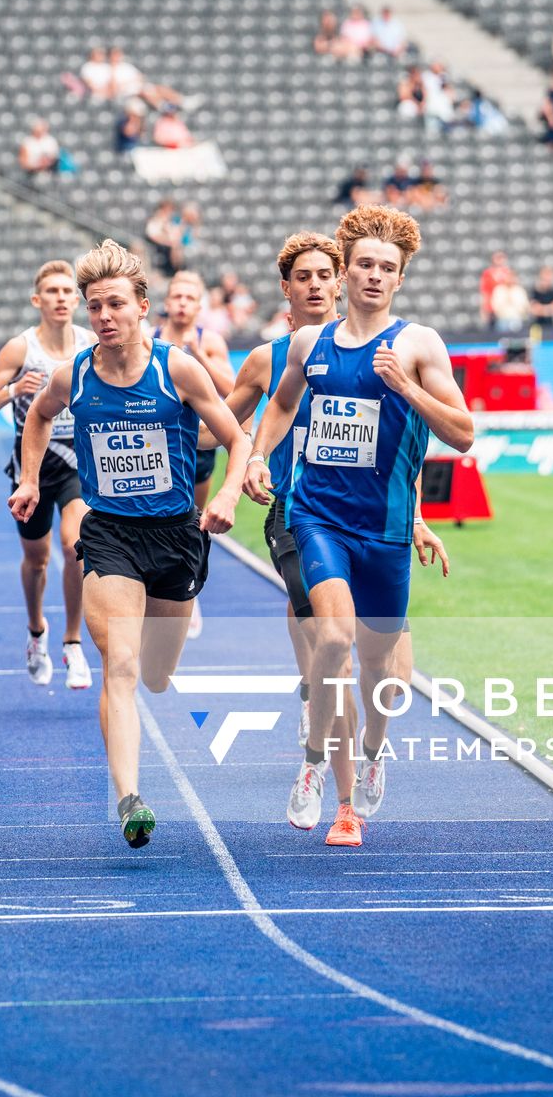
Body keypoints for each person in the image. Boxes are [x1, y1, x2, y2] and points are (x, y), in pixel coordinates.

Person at [10, 241, 250, 849]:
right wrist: (32, 478)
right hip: (110, 534)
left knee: (156, 675)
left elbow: (237, 437)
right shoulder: (76, 375)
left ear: (143, 307)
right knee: (118, 662)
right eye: (95, 307)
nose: (104, 316)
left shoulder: (179, 370)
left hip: (175, 535)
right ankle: (129, 799)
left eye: (115, 304)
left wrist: (224, 497)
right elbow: (38, 418)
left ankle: (159, 659)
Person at [245, 206, 471, 847]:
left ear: (400, 279)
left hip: (386, 535)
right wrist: (260, 454)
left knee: (380, 676)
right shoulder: (309, 345)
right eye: (365, 264)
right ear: (346, 273)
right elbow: (283, 403)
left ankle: (372, 752)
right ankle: (322, 773)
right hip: (319, 520)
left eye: (387, 268)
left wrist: (407, 389)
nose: (374, 276)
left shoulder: (418, 344)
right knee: (335, 640)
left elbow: (462, 434)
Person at [218, 232, 345, 751]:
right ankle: (323, 717)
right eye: (302, 277)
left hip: (362, 512)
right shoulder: (265, 360)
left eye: (322, 275)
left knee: (364, 639)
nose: (314, 285)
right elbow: (218, 426)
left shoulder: (380, 350)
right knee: (320, 620)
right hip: (293, 509)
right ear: (285, 290)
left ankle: (317, 692)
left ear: (340, 283)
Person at [0, 261, 99, 690]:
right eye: (53, 291)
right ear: (37, 299)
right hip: (32, 465)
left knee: (76, 544)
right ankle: (36, 631)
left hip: (78, 463)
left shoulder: (91, 343)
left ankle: (73, 643)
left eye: (68, 291)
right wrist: (13, 390)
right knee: (37, 560)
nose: (62, 298)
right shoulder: (19, 349)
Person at [154, 271, 234, 640]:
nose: (183, 304)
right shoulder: (147, 339)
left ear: (199, 306)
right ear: (167, 302)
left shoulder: (209, 340)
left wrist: (200, 356)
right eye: (178, 297)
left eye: (190, 298)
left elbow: (233, 389)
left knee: (194, 522)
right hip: (159, 444)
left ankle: (190, 588)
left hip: (199, 442)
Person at [527, 266, 553, 335]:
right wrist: (548, 309)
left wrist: (542, 309)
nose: (547, 279)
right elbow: (534, 309)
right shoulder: (535, 291)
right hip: (536, 325)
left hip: (550, 324)